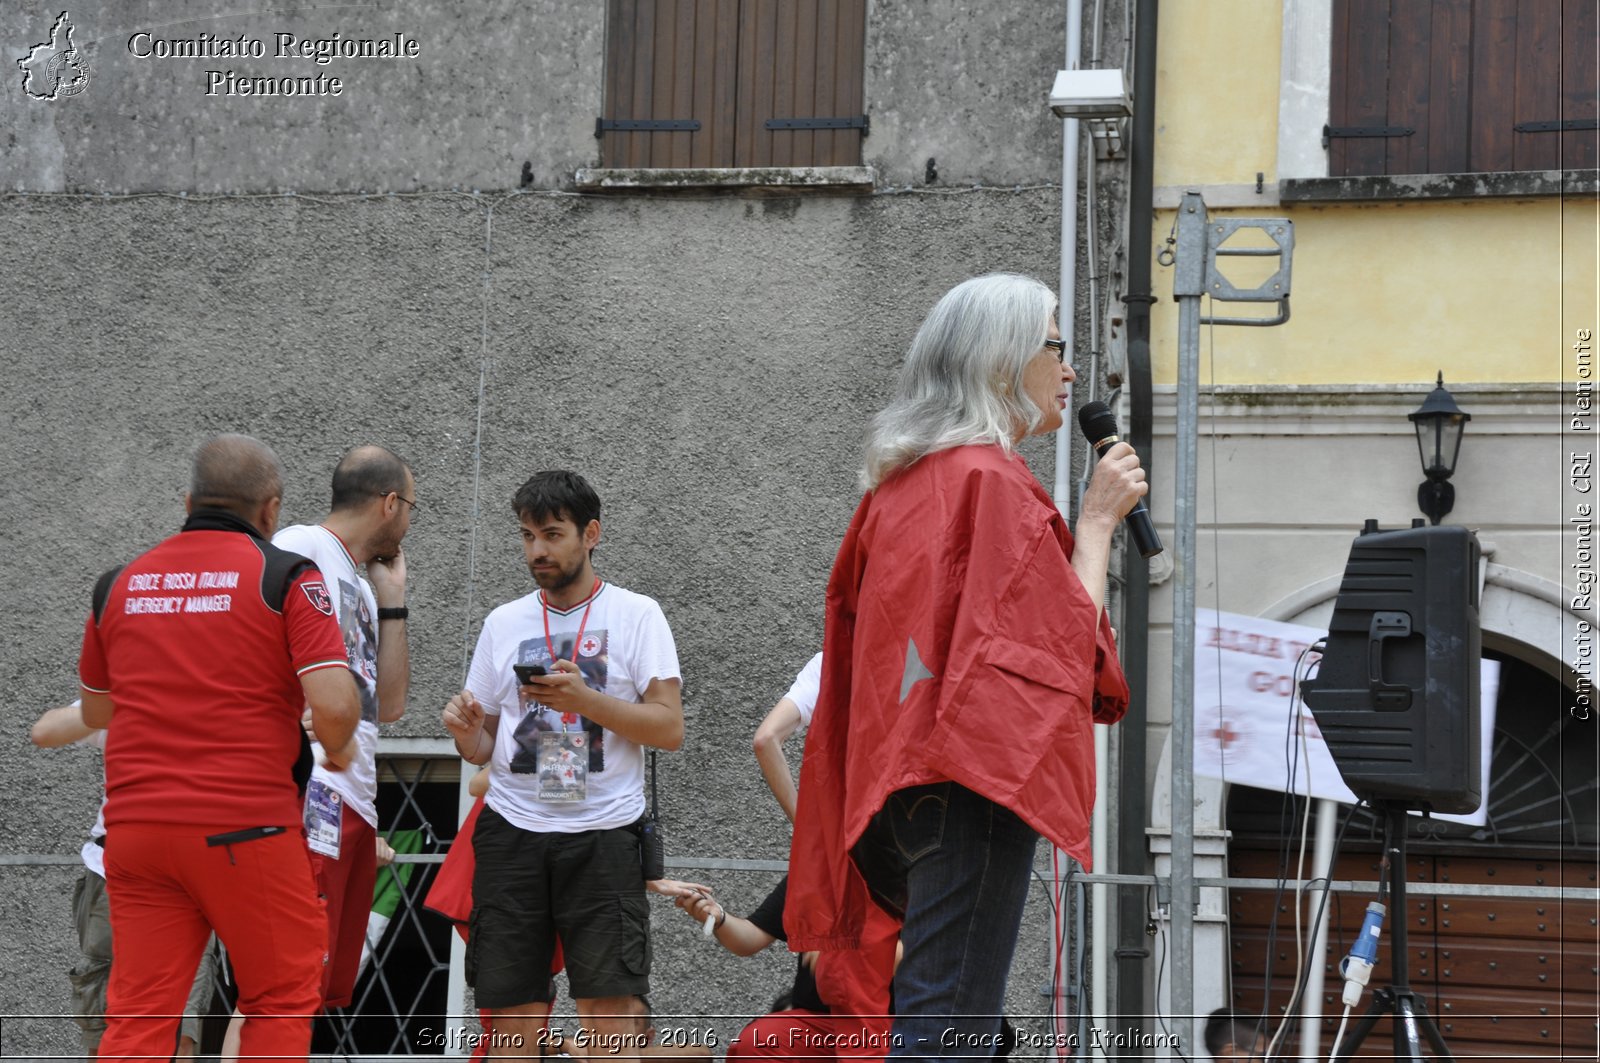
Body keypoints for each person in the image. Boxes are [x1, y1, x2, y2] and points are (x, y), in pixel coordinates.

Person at [786, 274, 1145, 1059]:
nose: (1071, 370)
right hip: (972, 781)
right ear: (1002, 360)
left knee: (934, 1012)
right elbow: (1061, 653)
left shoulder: (897, 487)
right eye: (1057, 345)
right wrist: (1095, 523)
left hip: (898, 788)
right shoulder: (990, 479)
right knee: (950, 1025)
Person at [77, 433, 362, 1062]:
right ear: (270, 511)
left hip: (136, 832)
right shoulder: (286, 575)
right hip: (245, 829)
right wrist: (336, 748)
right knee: (280, 998)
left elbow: (99, 710)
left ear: (187, 502)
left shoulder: (116, 585)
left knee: (139, 1017)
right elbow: (337, 707)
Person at [442, 470, 685, 1059]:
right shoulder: (504, 621)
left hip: (602, 836)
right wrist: (467, 735)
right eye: (527, 536)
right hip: (511, 831)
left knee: (608, 1013)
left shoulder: (637, 615)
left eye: (551, 534)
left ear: (591, 534)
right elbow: (484, 747)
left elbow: (669, 728)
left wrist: (586, 701)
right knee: (510, 1013)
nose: (537, 551)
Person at [272, 443, 414, 1012]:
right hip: (313, 793)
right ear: (389, 503)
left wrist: (394, 600)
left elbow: (394, 704)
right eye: (411, 507)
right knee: (284, 981)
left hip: (355, 800)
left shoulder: (357, 581)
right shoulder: (299, 546)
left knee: (320, 990)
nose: (409, 522)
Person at [31, 701, 219, 1060]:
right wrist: (118, 701)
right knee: (105, 1030)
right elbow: (46, 730)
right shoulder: (130, 694)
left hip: (192, 882)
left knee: (181, 1031)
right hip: (113, 873)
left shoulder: (222, 694)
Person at [752, 653, 822, 823]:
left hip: (842, 832)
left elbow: (765, 738)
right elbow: (765, 739)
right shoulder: (896, 667)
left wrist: (803, 828)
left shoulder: (827, 665)